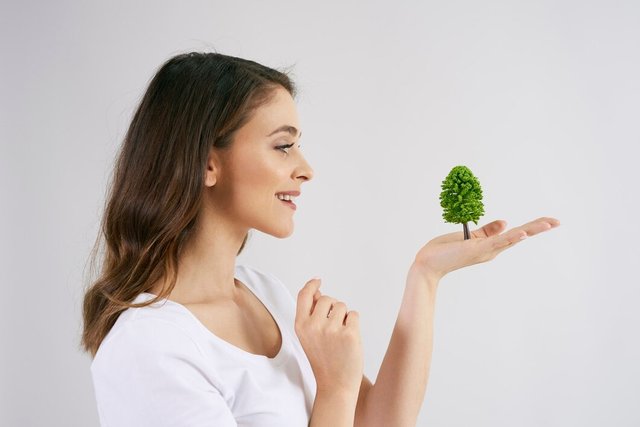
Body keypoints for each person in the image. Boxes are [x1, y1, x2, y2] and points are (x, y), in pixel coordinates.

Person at [81, 51, 561, 427]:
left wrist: (426, 276)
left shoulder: (265, 294)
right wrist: (333, 388)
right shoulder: (150, 347)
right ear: (207, 162)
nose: (305, 169)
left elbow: (380, 423)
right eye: (283, 145)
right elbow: (342, 405)